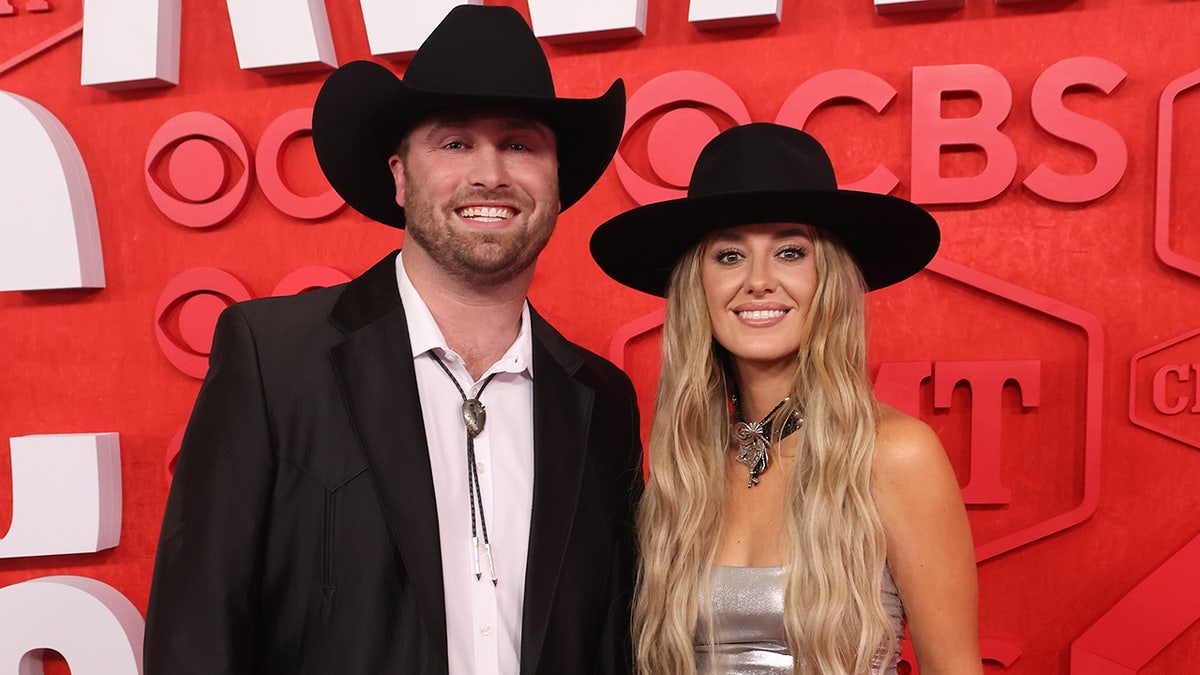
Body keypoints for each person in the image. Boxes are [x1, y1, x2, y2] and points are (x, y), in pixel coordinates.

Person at [143, 6, 643, 674]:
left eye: (520, 144)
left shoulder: (601, 402)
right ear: (401, 177)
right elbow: (195, 639)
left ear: (556, 181)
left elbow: (613, 648)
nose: (490, 173)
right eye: (455, 143)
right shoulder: (274, 360)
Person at [590, 123, 981, 675]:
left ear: (829, 278)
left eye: (791, 251)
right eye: (728, 256)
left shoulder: (895, 453)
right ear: (696, 285)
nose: (758, 281)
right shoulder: (684, 471)